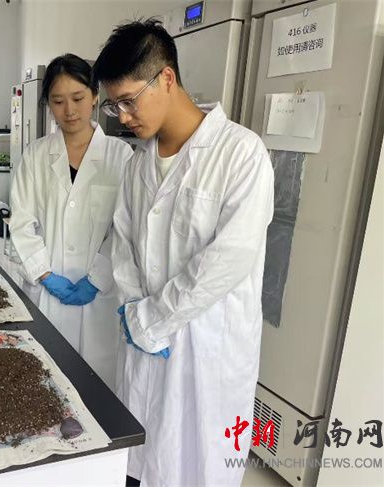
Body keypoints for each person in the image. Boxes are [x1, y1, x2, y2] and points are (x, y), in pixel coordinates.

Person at [93, 19, 275, 486]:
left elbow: (227, 260)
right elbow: (124, 245)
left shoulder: (241, 154)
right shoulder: (138, 165)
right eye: (114, 106)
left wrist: (154, 318)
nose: (123, 117)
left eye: (129, 100)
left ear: (167, 78)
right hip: (144, 342)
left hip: (206, 351)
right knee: (140, 463)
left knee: (196, 465)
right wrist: (136, 311)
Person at [9, 53, 133, 390]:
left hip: (99, 298)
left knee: (96, 388)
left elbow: (125, 228)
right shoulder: (36, 155)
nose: (69, 110)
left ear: (94, 96)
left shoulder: (121, 157)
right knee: (43, 385)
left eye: (78, 98)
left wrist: (97, 278)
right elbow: (21, 221)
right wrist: (44, 274)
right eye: (58, 101)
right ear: (48, 105)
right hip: (46, 290)